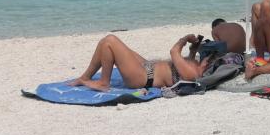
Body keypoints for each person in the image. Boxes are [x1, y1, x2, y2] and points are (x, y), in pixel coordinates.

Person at [67, 32, 212, 91]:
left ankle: (104, 82)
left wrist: (184, 39)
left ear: (207, 64)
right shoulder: (193, 69)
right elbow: (183, 63)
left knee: (110, 41)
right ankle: (85, 77)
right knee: (106, 42)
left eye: (205, 56)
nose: (202, 56)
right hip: (147, 68)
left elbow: (174, 52)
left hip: (143, 78)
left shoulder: (192, 74)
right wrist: (193, 49)